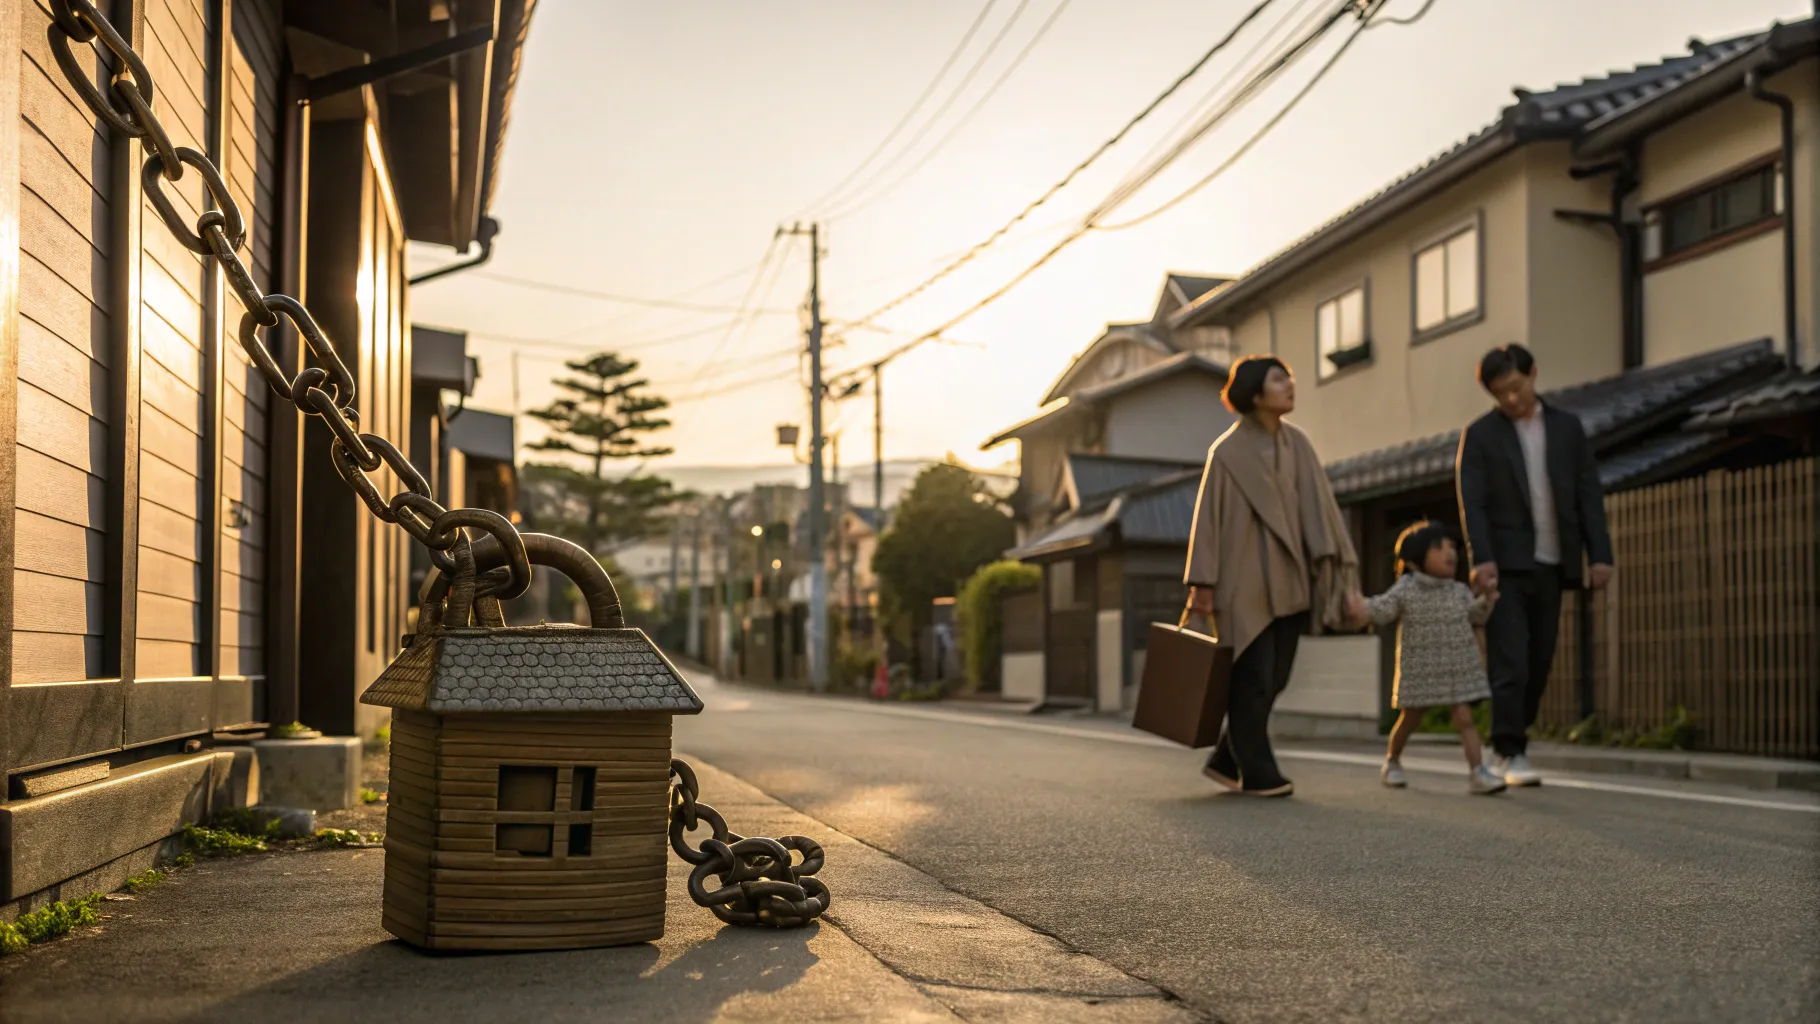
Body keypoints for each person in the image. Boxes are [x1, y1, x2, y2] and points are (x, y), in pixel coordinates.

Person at [1185, 356, 1362, 798]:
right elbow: (1207, 522)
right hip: (1241, 580)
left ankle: (1226, 759)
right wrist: (1202, 585)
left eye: (1289, 377)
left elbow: (1320, 508)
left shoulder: (1297, 443)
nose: (1290, 384)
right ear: (1255, 393)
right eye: (1278, 379)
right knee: (1254, 678)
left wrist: (1335, 569)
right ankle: (1259, 771)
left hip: (1291, 576)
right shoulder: (1226, 452)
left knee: (1276, 678)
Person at [1456, 344, 1614, 787]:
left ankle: (1509, 739)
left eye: (1516, 387)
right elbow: (1473, 503)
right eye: (1499, 393)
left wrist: (1600, 554)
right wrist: (1481, 559)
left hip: (1553, 560)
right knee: (1510, 661)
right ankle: (1511, 749)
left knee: (1540, 660)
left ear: (1533, 375)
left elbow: (1588, 493)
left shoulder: (1567, 428)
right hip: (1505, 565)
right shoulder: (1481, 435)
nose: (1510, 398)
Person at [1363, 520, 1506, 795]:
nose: (1450, 553)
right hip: (1421, 668)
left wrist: (1486, 599)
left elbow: (1475, 616)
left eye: (1452, 547)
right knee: (1411, 718)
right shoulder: (1406, 588)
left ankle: (1478, 772)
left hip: (1455, 666)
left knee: (1464, 717)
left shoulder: (1458, 590)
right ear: (1416, 559)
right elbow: (1383, 609)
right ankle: (1392, 761)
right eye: (1439, 548)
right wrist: (1362, 606)